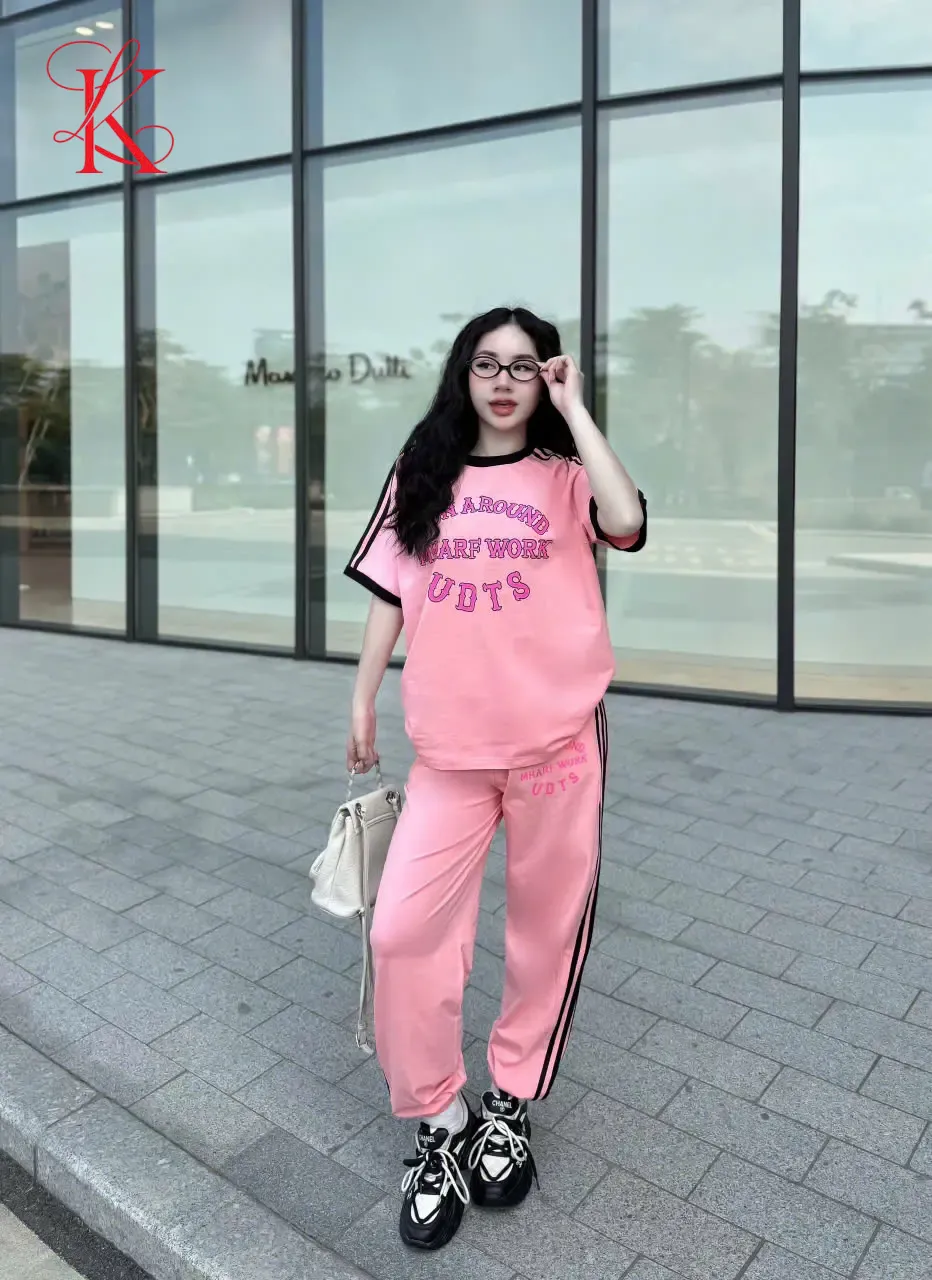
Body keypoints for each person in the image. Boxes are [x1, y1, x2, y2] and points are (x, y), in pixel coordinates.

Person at [344, 306, 646, 1251]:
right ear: (462, 374)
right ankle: (439, 1118)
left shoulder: (566, 472)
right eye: (487, 363)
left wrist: (578, 410)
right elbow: (390, 592)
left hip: (558, 746)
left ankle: (509, 1101)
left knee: (545, 933)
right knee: (401, 932)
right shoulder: (422, 470)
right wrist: (362, 698)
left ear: (546, 377)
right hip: (450, 751)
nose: (505, 381)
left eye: (524, 366)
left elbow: (627, 521)